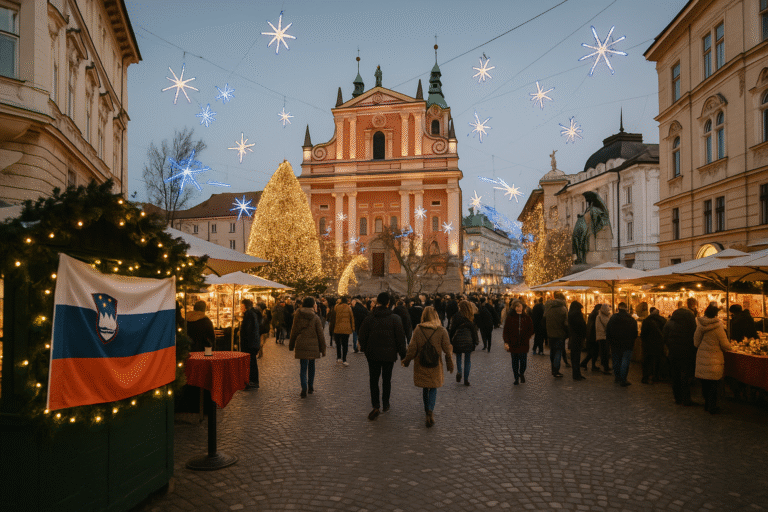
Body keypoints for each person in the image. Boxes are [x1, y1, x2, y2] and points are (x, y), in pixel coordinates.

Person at [402, 306, 454, 428]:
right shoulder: (441, 330)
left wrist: (407, 360)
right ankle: (430, 410)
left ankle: (426, 409)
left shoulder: (418, 329)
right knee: (434, 387)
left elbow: (412, 348)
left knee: (425, 387)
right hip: (436, 363)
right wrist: (450, 362)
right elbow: (447, 348)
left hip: (421, 362)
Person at [358, 292, 407, 421]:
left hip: (373, 354)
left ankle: (376, 404)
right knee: (386, 380)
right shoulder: (395, 318)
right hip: (389, 355)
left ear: (377, 302)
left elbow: (362, 335)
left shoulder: (369, 317)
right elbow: (400, 339)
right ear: (388, 304)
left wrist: (366, 350)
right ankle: (385, 404)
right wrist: (403, 354)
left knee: (373, 380)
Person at [694, 304, 732, 414]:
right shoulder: (718, 327)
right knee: (714, 385)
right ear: (716, 314)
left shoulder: (700, 325)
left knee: (705, 384)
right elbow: (725, 345)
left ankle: (707, 404)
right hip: (714, 359)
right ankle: (712, 406)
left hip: (702, 359)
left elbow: (696, 343)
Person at [288, 297, 327, 398]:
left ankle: (304, 387)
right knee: (311, 366)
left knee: (303, 367)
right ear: (313, 305)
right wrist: (323, 349)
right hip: (313, 345)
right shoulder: (316, 317)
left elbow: (294, 331)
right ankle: (310, 386)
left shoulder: (298, 315)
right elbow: (320, 335)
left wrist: (291, 345)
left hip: (301, 344)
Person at [663, 300, 699, 406]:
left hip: (673, 353)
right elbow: (695, 337)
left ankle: (677, 397)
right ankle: (686, 398)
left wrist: (669, 346)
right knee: (686, 376)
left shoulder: (669, 323)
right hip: (687, 353)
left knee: (675, 376)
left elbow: (664, 337)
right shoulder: (690, 324)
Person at [605, 302, 637, 386]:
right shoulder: (631, 319)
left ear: (618, 308)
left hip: (615, 343)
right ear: (626, 309)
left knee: (616, 360)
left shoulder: (613, 318)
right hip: (627, 344)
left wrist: (610, 340)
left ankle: (617, 377)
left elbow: (608, 330)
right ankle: (623, 379)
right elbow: (635, 333)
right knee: (625, 361)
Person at [503, 299, 534, 386]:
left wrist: (527, 336)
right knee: (515, 362)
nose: (518, 308)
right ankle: (516, 377)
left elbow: (531, 329)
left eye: (520, 306)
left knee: (523, 361)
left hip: (524, 343)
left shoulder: (527, 318)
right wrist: (506, 342)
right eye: (517, 307)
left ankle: (521, 373)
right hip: (513, 343)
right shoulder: (510, 318)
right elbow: (506, 331)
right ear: (514, 308)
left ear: (522, 307)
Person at [448, 300, 478, 386]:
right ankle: (466, 379)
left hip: (458, 339)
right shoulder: (470, 316)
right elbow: (474, 330)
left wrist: (450, 339)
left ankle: (459, 372)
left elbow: (452, 329)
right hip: (468, 340)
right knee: (467, 360)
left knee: (458, 357)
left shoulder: (456, 316)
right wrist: (475, 340)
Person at [543, 292, 568, 378]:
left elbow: (545, 319)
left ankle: (553, 368)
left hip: (550, 334)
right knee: (558, 352)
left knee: (552, 351)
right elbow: (566, 323)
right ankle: (556, 370)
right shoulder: (563, 309)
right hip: (560, 334)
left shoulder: (549, 309)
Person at [640, 307, 667, 384]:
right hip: (659, 344)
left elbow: (643, 334)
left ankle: (646, 377)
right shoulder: (663, 320)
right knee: (658, 361)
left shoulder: (646, 321)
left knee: (647, 362)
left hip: (648, 345)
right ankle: (656, 376)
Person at [240, 299, 260, 389]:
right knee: (252, 362)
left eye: (241, 306)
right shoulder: (253, 313)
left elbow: (248, 330)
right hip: (253, 342)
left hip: (249, 343)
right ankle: (253, 381)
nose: (240, 308)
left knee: (250, 363)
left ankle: (252, 382)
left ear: (245, 306)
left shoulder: (249, 314)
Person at [567, 301, 587, 381]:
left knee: (574, 357)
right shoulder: (577, 314)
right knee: (576, 357)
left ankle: (576, 374)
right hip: (577, 338)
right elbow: (581, 325)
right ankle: (576, 375)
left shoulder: (571, 313)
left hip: (573, 337)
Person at [333, 297, 355, 366]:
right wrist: (353, 328)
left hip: (337, 328)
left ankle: (339, 357)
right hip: (346, 329)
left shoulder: (337, 307)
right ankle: (344, 359)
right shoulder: (349, 308)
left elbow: (334, 315)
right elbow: (352, 318)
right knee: (345, 345)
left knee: (338, 344)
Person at [581, 304, 601, 371]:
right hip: (593, 336)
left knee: (592, 352)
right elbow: (594, 327)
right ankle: (588, 364)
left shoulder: (592, 314)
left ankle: (586, 364)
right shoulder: (596, 315)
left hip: (590, 335)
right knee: (594, 352)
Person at [596, 303, 612, 374]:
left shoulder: (601, 316)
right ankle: (605, 367)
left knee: (605, 352)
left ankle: (605, 366)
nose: (609, 310)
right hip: (603, 336)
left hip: (602, 336)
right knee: (605, 353)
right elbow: (608, 325)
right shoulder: (602, 317)